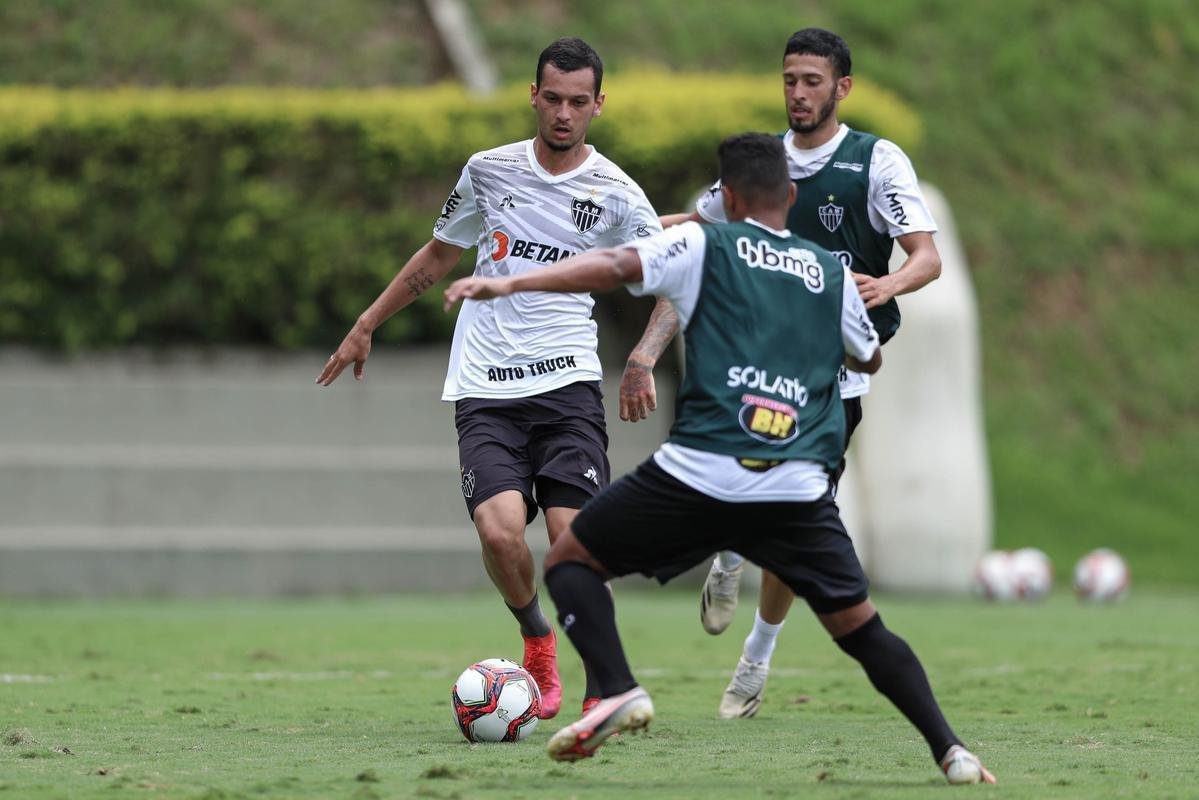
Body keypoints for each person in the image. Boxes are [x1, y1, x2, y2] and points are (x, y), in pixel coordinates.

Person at [443, 133, 994, 784]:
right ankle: (951, 752)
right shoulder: (828, 272)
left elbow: (610, 267)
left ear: (726, 197)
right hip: (791, 485)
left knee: (568, 562)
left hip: (700, 473)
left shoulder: (702, 242)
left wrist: (510, 283)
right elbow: (865, 356)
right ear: (788, 195)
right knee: (861, 629)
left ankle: (617, 687)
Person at [316, 37, 662, 719]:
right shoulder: (488, 170)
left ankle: (605, 682)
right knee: (500, 532)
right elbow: (440, 252)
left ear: (598, 105)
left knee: (573, 539)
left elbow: (672, 283)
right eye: (553, 99)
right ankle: (538, 643)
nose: (564, 113)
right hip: (485, 388)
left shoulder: (617, 193)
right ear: (533, 96)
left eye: (578, 102)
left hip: (566, 386)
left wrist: (644, 357)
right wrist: (367, 321)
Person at [619, 27, 944, 719]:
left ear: (841, 88)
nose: (798, 93)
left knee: (795, 513)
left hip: (836, 377)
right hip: (752, 364)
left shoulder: (874, 161)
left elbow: (925, 256)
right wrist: (633, 270)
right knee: (754, 495)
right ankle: (731, 554)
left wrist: (888, 288)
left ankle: (755, 659)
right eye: (789, 80)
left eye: (811, 82)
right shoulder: (762, 167)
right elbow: (694, 240)